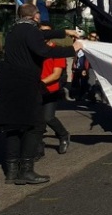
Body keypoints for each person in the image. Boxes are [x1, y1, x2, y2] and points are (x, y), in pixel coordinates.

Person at [0, 4, 82, 185]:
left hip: (9, 81)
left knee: (13, 124)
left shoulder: (16, 30)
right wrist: (72, 49)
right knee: (35, 124)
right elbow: (43, 50)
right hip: (25, 83)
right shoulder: (30, 31)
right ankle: (26, 171)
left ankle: (11, 170)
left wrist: (64, 32)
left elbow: (41, 35)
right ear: (36, 16)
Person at [38, 22, 71, 156]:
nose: (44, 35)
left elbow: (56, 74)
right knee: (35, 119)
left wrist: (38, 83)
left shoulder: (57, 51)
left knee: (48, 118)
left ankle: (63, 135)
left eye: (47, 32)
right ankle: (38, 146)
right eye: (41, 31)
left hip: (49, 89)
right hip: (35, 89)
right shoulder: (34, 48)